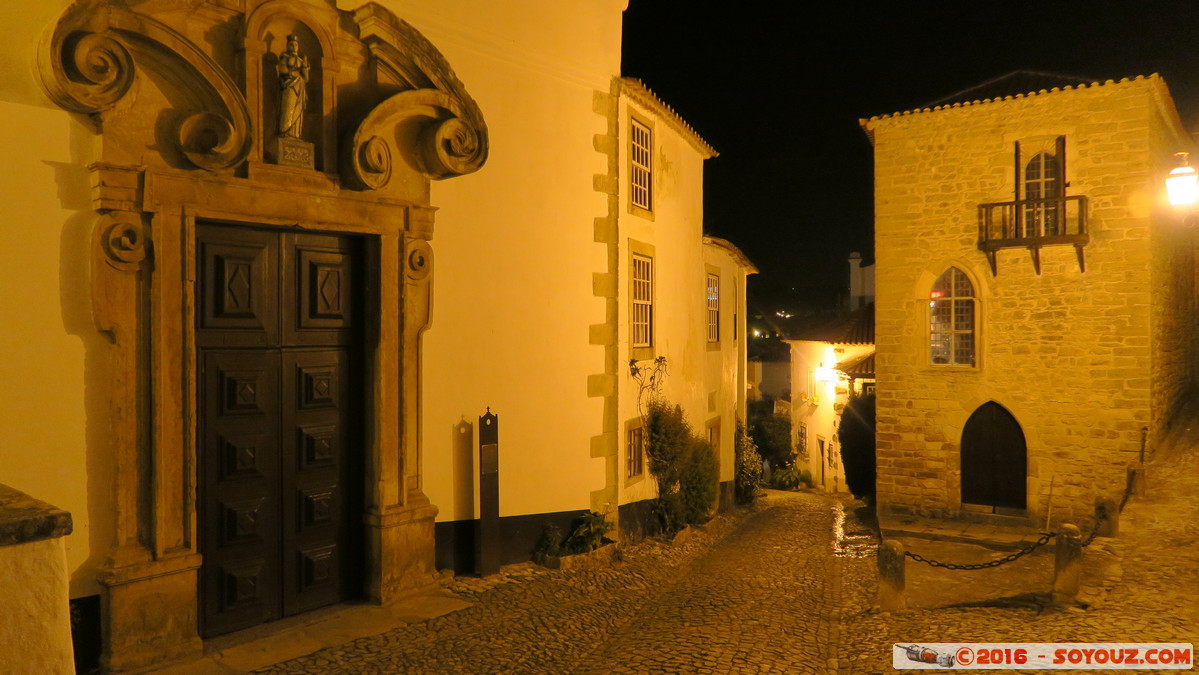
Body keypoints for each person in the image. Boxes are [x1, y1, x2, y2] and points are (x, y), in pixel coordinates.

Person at [277, 35, 309, 139]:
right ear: (287, 46)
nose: (294, 47)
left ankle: (296, 134)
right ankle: (285, 132)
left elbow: (306, 78)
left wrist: (304, 67)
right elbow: (283, 70)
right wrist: (296, 74)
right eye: (291, 45)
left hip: (300, 88)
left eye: (296, 45)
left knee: (298, 110)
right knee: (288, 107)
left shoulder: (300, 60)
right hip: (289, 86)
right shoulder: (285, 57)